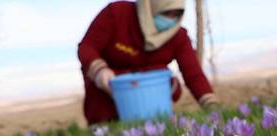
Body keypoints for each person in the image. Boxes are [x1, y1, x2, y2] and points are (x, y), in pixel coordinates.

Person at [78, 0, 217, 125]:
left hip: (151, 101)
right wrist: (99, 69)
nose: (170, 20)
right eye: (166, 13)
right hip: (109, 94)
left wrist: (211, 106)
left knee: (166, 79)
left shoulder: (177, 35)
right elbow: (87, 47)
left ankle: (156, 123)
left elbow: (193, 74)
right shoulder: (117, 14)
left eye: (177, 14)